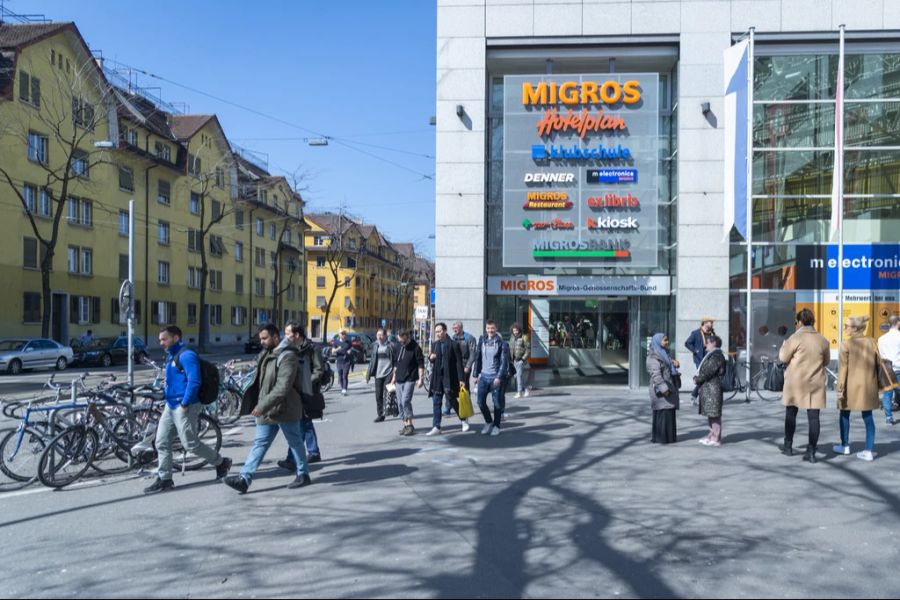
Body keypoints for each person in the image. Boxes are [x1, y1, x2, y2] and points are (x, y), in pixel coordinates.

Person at [144, 325, 231, 494]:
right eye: (160, 339)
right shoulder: (171, 356)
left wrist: (184, 403)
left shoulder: (187, 355)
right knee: (161, 441)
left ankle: (221, 462)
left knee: (190, 444)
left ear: (176, 338)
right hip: (171, 405)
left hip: (186, 405)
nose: (161, 342)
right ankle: (165, 479)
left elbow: (194, 381)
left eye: (164, 339)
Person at [224, 324, 311, 494]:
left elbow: (282, 387)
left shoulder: (288, 356)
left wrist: (262, 405)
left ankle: (303, 474)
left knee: (294, 442)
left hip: (285, 408)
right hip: (268, 409)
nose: (261, 342)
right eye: (261, 339)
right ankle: (244, 479)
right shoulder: (267, 354)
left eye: (265, 338)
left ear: (276, 337)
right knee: (260, 443)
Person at [778, 309, 831, 463]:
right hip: (815, 382)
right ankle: (812, 451)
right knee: (814, 417)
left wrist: (784, 346)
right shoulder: (822, 339)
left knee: (791, 413)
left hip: (796, 382)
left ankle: (788, 447)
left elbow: (782, 357)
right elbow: (826, 362)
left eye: (796, 322)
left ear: (800, 322)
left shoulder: (795, 338)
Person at [277, 322, 325, 471]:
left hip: (307, 392)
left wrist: (305, 383)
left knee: (301, 424)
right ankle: (313, 451)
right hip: (295, 392)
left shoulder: (312, 348)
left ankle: (292, 459)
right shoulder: (290, 348)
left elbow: (319, 370)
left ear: (297, 335)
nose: (285, 336)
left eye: (287, 333)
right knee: (306, 422)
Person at [834, 316, 881, 462]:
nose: (845, 327)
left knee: (844, 414)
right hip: (869, 385)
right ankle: (868, 450)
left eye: (847, 325)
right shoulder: (873, 342)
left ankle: (845, 445)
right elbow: (879, 364)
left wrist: (840, 388)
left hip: (850, 386)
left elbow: (843, 369)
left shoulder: (846, 344)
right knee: (868, 417)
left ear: (855, 328)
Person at [426, 323, 467, 436]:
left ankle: (464, 420)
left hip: (449, 378)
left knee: (453, 401)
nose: (438, 334)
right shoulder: (435, 344)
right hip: (437, 378)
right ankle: (436, 426)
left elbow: (459, 363)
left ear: (445, 331)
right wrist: (431, 357)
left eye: (439, 331)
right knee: (436, 402)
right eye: (436, 332)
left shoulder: (453, 345)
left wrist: (461, 379)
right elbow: (432, 358)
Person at [472, 320, 510, 436]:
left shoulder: (502, 343)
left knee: (497, 403)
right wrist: (475, 374)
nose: (490, 330)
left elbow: (504, 362)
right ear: (485, 329)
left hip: (495, 377)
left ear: (496, 329)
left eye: (492, 328)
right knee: (480, 402)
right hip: (483, 377)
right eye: (488, 328)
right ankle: (488, 421)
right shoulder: (482, 341)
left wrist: (499, 377)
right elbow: (477, 358)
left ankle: (496, 425)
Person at [694, 335, 726, 446]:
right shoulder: (712, 355)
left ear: (714, 343)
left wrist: (697, 379)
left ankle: (716, 438)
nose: (705, 344)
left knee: (714, 414)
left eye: (707, 342)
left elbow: (709, 371)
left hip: (713, 388)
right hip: (709, 388)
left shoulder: (716, 356)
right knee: (711, 413)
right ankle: (712, 435)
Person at [391, 329, 425, 436]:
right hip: (399, 379)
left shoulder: (416, 348)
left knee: (405, 400)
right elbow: (396, 363)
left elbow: (420, 364)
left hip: (410, 378)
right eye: (400, 341)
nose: (401, 343)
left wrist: (421, 379)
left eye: (403, 341)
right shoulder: (398, 346)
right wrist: (393, 377)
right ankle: (406, 425)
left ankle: (410, 425)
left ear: (407, 336)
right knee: (400, 403)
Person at [648, 333, 679, 444]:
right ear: (657, 342)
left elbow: (668, 369)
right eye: (665, 340)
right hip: (662, 390)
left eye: (667, 340)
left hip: (669, 387)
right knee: (662, 412)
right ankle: (661, 438)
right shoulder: (653, 357)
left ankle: (669, 437)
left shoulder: (665, 354)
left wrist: (674, 364)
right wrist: (664, 389)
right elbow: (656, 375)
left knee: (668, 411)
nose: (667, 342)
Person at [367, 329, 396, 423]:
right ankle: (380, 414)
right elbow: (372, 361)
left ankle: (393, 408)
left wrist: (394, 373)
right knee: (378, 395)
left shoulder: (391, 346)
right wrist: (368, 374)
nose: (379, 337)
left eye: (381, 335)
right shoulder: (375, 346)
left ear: (385, 336)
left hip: (389, 372)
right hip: (378, 374)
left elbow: (395, 360)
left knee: (389, 392)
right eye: (377, 335)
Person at [685, 318, 716, 402]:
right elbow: (687, 343)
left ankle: (695, 395)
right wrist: (695, 350)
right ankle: (695, 396)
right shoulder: (696, 333)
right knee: (703, 377)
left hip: (709, 358)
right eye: (711, 322)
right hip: (699, 359)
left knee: (706, 377)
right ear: (705, 323)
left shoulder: (712, 333)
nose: (712, 324)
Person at [877, 315, 900, 426]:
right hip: (898, 368)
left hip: (886, 369)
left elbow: (880, 355)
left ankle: (889, 418)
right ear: (898, 323)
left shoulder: (881, 339)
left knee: (887, 394)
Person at [510, 323, 530, 399]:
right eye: (514, 330)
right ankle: (526, 388)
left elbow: (528, 349)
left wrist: (523, 359)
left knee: (518, 376)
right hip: (514, 360)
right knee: (517, 376)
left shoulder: (524, 337)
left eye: (516, 330)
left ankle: (519, 393)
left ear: (519, 330)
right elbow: (511, 348)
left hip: (520, 360)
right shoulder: (512, 338)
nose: (515, 332)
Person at [331, 329, 353, 395]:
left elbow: (351, 348)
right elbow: (332, 351)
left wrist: (350, 351)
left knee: (345, 375)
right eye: (342, 333)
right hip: (339, 361)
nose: (343, 335)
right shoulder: (336, 342)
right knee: (340, 376)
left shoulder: (348, 342)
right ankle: (342, 388)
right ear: (339, 334)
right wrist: (338, 349)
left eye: (344, 334)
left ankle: (344, 389)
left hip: (346, 361)